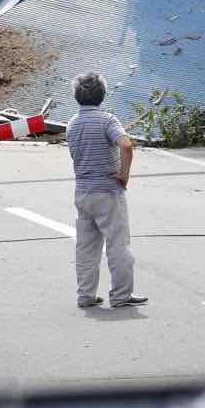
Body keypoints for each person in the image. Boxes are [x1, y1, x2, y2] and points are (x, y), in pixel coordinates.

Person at [67, 72, 146, 309]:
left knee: (86, 247)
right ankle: (121, 295)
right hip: (108, 192)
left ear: (76, 97)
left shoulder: (72, 124)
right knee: (117, 244)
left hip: (82, 192)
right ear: (103, 94)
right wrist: (124, 175)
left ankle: (86, 295)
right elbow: (126, 145)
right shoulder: (108, 120)